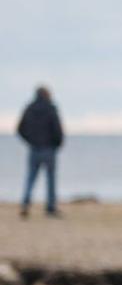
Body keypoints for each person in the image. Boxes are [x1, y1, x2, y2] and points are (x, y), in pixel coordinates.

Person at [16, 86, 65, 219]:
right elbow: (57, 129)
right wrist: (58, 143)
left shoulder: (30, 108)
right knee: (50, 180)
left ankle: (25, 203)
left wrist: (30, 141)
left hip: (34, 148)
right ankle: (50, 208)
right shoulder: (50, 108)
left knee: (31, 177)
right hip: (49, 149)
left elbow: (20, 129)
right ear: (47, 95)